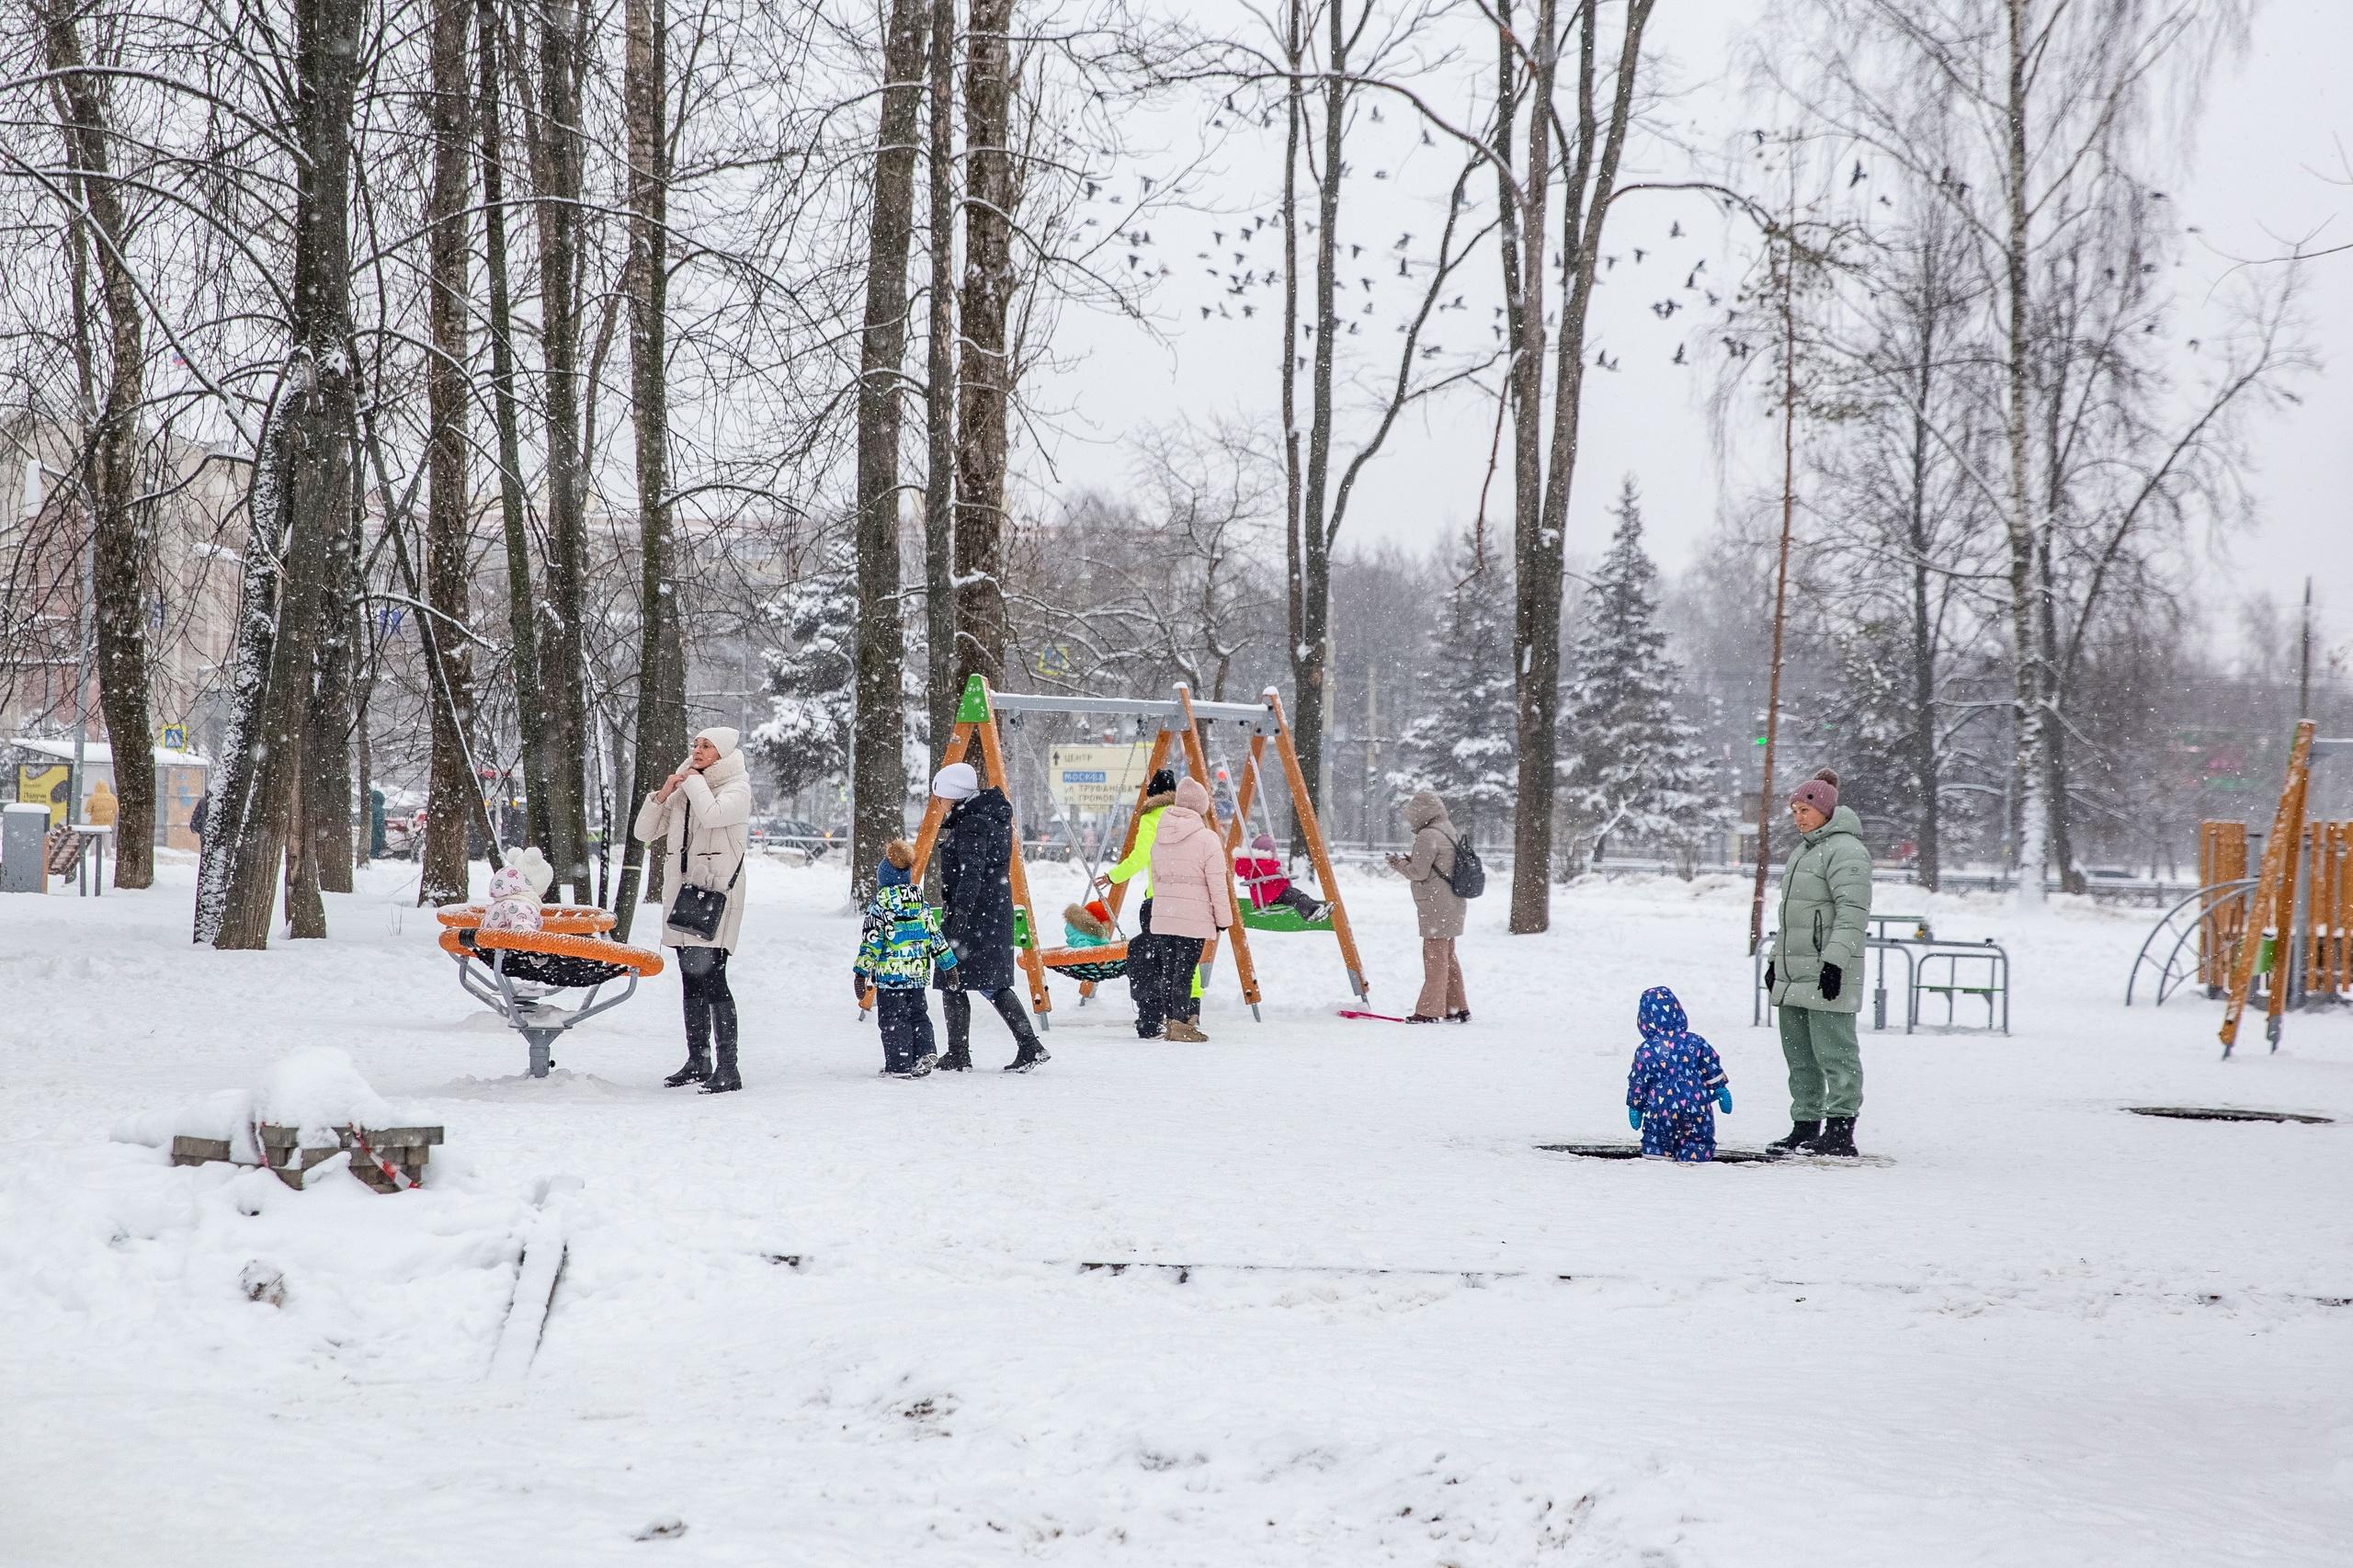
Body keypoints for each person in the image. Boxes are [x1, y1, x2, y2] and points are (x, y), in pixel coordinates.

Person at [634, 726, 752, 1094]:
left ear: (723, 753)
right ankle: (698, 1060)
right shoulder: (687, 787)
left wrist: (694, 781)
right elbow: (643, 833)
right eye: (696, 744)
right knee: (690, 978)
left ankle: (728, 1067)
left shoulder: (737, 788)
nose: (697, 750)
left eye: (706, 746)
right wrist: (664, 793)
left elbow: (714, 815)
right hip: (683, 896)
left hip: (716, 896)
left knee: (714, 977)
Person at [1764, 768, 1872, 1157]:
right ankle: (1805, 1125)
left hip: (1827, 973)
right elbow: (1788, 916)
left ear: (1826, 810)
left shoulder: (1847, 851)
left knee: (1836, 1053)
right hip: (1795, 974)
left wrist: (1835, 963)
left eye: (1805, 809)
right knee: (1800, 1056)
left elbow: (1852, 912)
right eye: (1794, 810)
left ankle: (1841, 1131)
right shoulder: (1803, 851)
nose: (1799, 817)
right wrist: (1776, 961)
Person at [929, 761, 1049, 1074]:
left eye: (939, 796)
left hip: (975, 917)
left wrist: (961, 912)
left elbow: (972, 872)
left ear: (952, 795)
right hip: (991, 913)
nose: (938, 803)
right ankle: (1029, 1046)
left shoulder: (972, 823)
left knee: (951, 978)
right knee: (992, 983)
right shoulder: (988, 817)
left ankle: (959, 1054)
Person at [1137, 777, 1230, 1042]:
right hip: (1193, 918)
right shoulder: (1207, 839)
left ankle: (1172, 1022)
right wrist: (1223, 919)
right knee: (1185, 971)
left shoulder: (1160, 836)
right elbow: (1217, 884)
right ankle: (1180, 1025)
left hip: (1165, 913)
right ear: (1200, 806)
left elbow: (1155, 875)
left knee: (1169, 968)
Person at [854, 839, 953, 1078]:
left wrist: (861, 972)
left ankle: (899, 1065)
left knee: (893, 1019)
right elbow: (935, 936)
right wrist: (949, 965)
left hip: (891, 977)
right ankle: (925, 1052)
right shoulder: (922, 904)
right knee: (918, 1014)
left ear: (883, 878)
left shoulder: (880, 906)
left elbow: (872, 943)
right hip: (917, 975)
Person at [1097, 767, 1178, 1037]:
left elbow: (1141, 856)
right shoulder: (1187, 817)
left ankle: (1151, 1017)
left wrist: (1113, 876)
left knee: (1149, 957)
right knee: (1182, 957)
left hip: (1159, 900)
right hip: (1189, 900)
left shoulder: (1152, 818)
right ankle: (1187, 1011)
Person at [1387, 790, 1470, 1024]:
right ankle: (1456, 1007)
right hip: (1453, 901)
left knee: (1435, 957)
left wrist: (1399, 863)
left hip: (1437, 904)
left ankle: (1429, 1011)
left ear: (1422, 813)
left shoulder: (1428, 835)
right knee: (1448, 956)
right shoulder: (1448, 829)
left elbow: (1418, 872)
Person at [1626, 986, 1731, 1162]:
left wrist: (1635, 1106)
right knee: (1698, 1143)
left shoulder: (1646, 1049)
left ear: (1644, 1020)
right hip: (1696, 1107)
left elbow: (1639, 1081)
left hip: (1660, 1110)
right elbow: (1710, 1065)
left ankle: (1658, 1164)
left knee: (1657, 1146)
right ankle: (1695, 1164)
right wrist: (1720, 1089)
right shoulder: (1696, 1041)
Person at [1234, 833, 1326, 922]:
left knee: (1297, 895)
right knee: (1296, 896)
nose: (1275, 853)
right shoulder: (1257, 865)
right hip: (1270, 897)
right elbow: (1263, 872)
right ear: (1267, 851)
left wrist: (1280, 871)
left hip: (1274, 895)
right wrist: (1277, 870)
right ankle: (1310, 911)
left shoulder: (1263, 863)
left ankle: (1314, 907)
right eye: (1273, 851)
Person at [479, 862, 545, 934]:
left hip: (495, 943)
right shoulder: (521, 908)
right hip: (507, 944)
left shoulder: (497, 906)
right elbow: (525, 937)